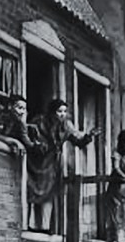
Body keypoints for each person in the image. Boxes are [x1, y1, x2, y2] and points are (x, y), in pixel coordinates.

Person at [27, 98, 101, 233]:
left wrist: (89, 136)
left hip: (53, 164)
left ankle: (46, 226)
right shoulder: (39, 121)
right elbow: (29, 135)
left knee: (50, 194)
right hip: (37, 161)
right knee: (33, 191)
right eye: (59, 111)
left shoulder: (66, 126)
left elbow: (78, 140)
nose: (62, 114)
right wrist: (37, 145)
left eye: (64, 111)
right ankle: (31, 224)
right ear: (52, 112)